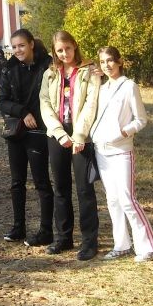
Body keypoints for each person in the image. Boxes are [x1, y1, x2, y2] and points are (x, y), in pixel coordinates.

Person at [92, 46, 153, 262]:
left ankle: (150, 246)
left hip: (122, 151)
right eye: (103, 62)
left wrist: (123, 132)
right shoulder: (102, 88)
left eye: (110, 60)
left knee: (127, 199)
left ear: (120, 61)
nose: (107, 65)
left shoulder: (129, 86)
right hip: (102, 150)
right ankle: (121, 245)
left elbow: (141, 119)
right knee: (112, 200)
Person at [39, 31, 101, 259]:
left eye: (67, 48)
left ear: (75, 46)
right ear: (54, 52)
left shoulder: (89, 71)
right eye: (59, 50)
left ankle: (89, 242)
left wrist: (79, 135)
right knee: (61, 188)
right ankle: (64, 237)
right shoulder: (50, 73)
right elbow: (45, 103)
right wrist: (58, 133)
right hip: (57, 134)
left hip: (81, 134)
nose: (64, 53)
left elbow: (91, 103)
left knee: (84, 189)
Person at [0, 29, 54, 247]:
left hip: (39, 130)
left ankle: (46, 230)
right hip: (17, 130)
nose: (18, 50)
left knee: (41, 182)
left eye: (21, 45)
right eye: (14, 47)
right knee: (17, 182)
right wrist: (22, 112)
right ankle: (18, 227)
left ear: (31, 44)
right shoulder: (8, 68)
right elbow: (2, 101)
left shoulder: (47, 65)